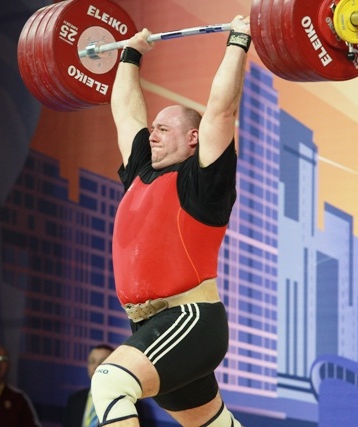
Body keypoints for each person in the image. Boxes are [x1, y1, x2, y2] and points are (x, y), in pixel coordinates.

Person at [89, 14, 252, 427]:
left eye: (163, 128)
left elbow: (222, 110)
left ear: (193, 138)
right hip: (150, 324)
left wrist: (238, 40)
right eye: (154, 129)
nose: (152, 134)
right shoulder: (141, 171)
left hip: (189, 319)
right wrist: (130, 54)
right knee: (212, 424)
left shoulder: (203, 180)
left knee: (109, 383)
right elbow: (126, 113)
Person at [64, 344, 151, 427]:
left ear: (114, 365)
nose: (96, 367)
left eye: (102, 362)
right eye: (92, 362)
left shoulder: (130, 402)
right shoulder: (74, 400)